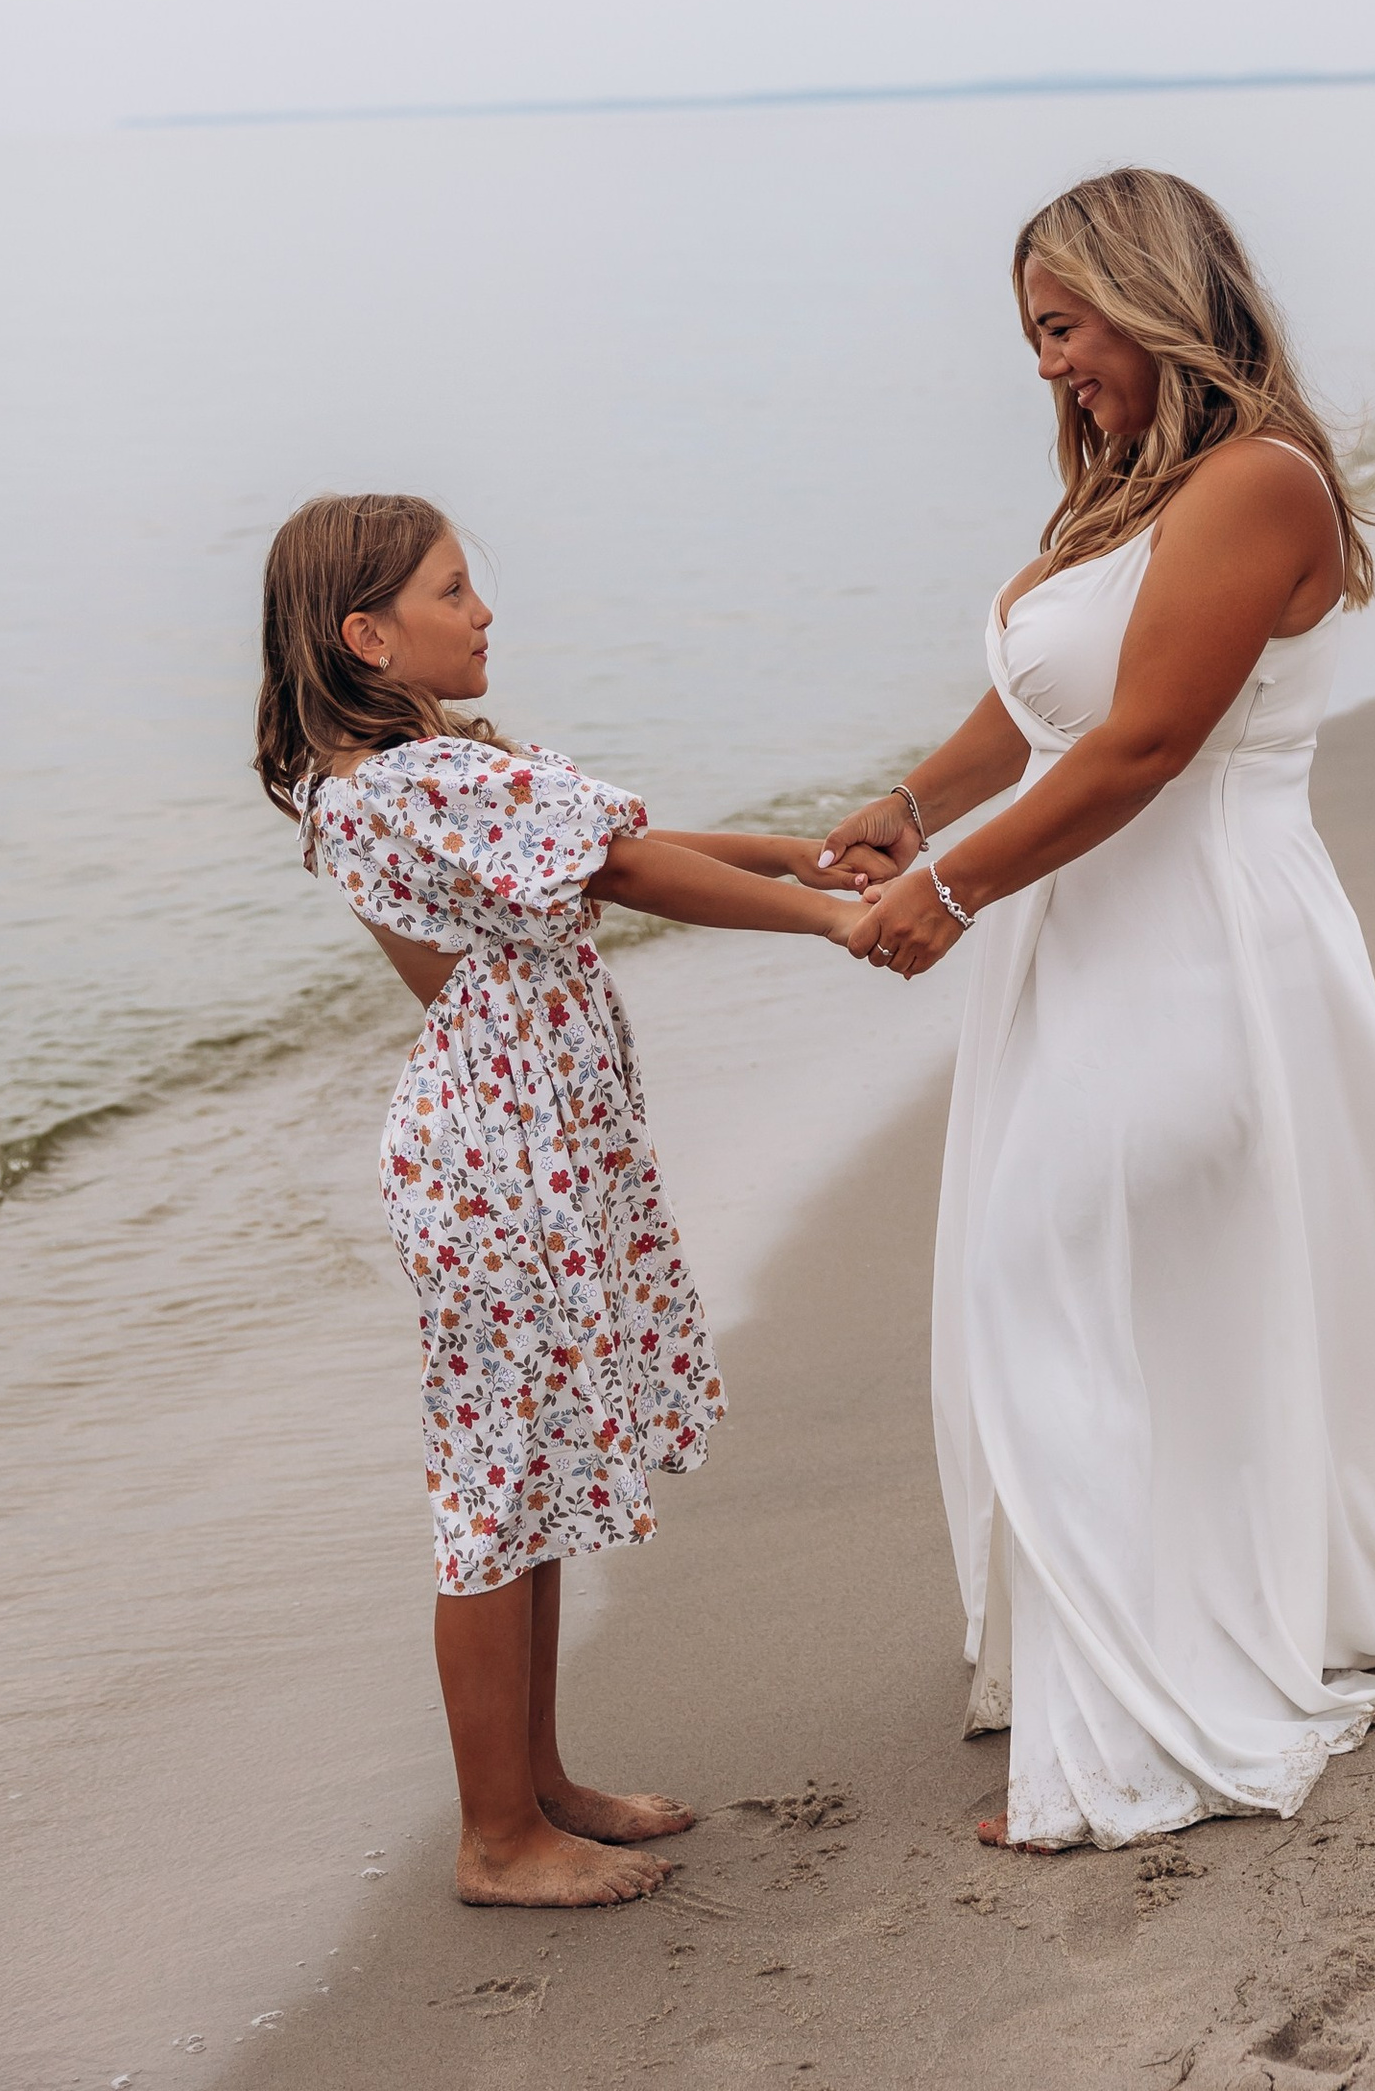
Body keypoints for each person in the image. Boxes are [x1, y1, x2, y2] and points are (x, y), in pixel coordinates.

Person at [819, 167, 1375, 1853]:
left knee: (1044, 1282)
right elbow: (1051, 706)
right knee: (1143, 1296)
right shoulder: (1142, 493)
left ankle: (1152, 1716)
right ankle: (1225, 1610)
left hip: (1199, 950)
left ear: (1147, 298)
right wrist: (907, 812)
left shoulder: (1258, 481)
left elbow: (1146, 747)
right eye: (1033, 340)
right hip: (1098, 948)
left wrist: (953, 888)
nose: (1050, 367)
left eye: (1064, 329)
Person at [256, 492, 865, 1908]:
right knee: (491, 1496)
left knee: (525, 1477)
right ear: (369, 634)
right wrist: (832, 917)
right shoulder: (415, 784)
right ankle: (494, 1837)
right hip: (495, 1170)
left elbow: (612, 844)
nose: (484, 614)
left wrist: (788, 856)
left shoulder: (402, 778)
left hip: (512, 1151)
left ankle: (536, 1785)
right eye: (454, 592)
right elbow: (628, 867)